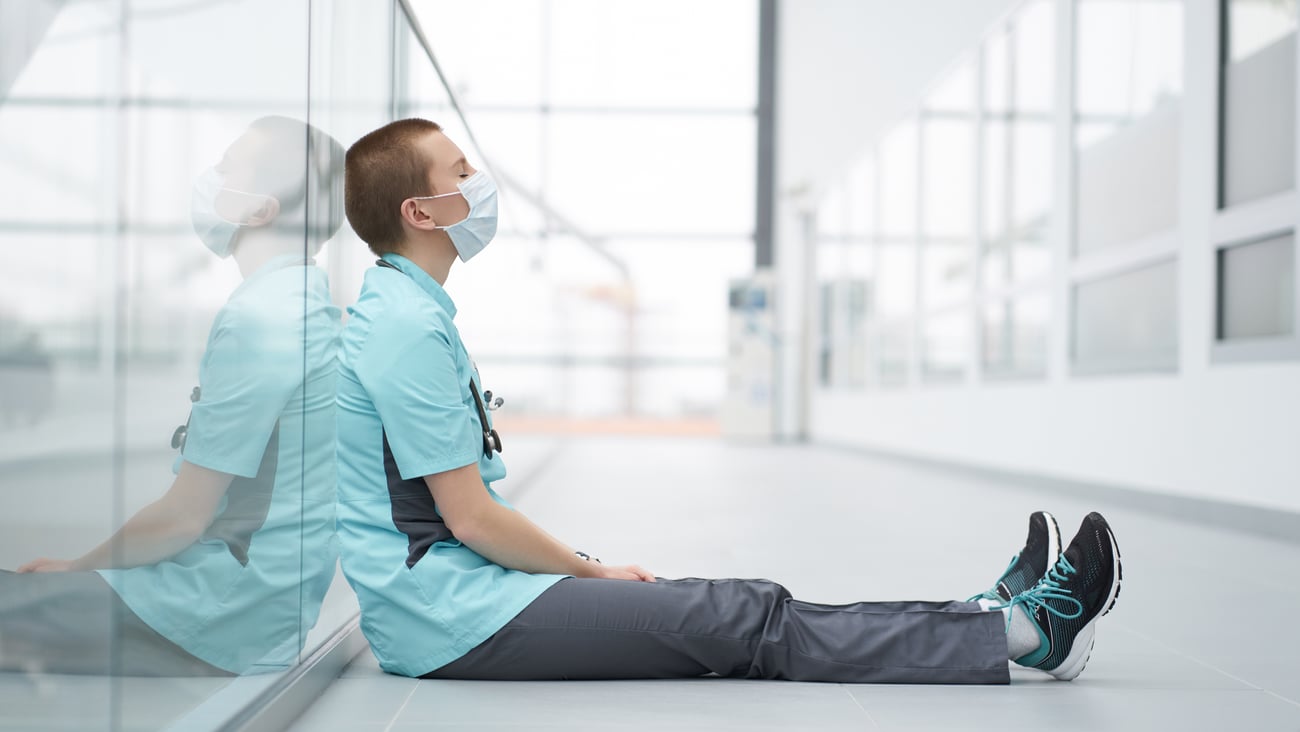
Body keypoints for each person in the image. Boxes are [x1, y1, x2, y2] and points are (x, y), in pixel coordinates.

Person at [335, 118, 1123, 684]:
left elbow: (458, 514)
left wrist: (585, 573)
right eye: (460, 170)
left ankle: (981, 617)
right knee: (739, 618)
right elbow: (470, 518)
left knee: (731, 606)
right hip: (446, 615)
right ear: (421, 212)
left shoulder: (411, 312)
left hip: (459, 595)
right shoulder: (405, 328)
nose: (479, 182)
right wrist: (590, 574)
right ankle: (1025, 635)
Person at [0, 116, 345, 676]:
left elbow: (183, 517)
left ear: (262, 209)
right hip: (255, 609)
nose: (212, 178)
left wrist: (79, 568)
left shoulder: (264, 320)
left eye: (228, 169)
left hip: (214, 612)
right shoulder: (304, 304)